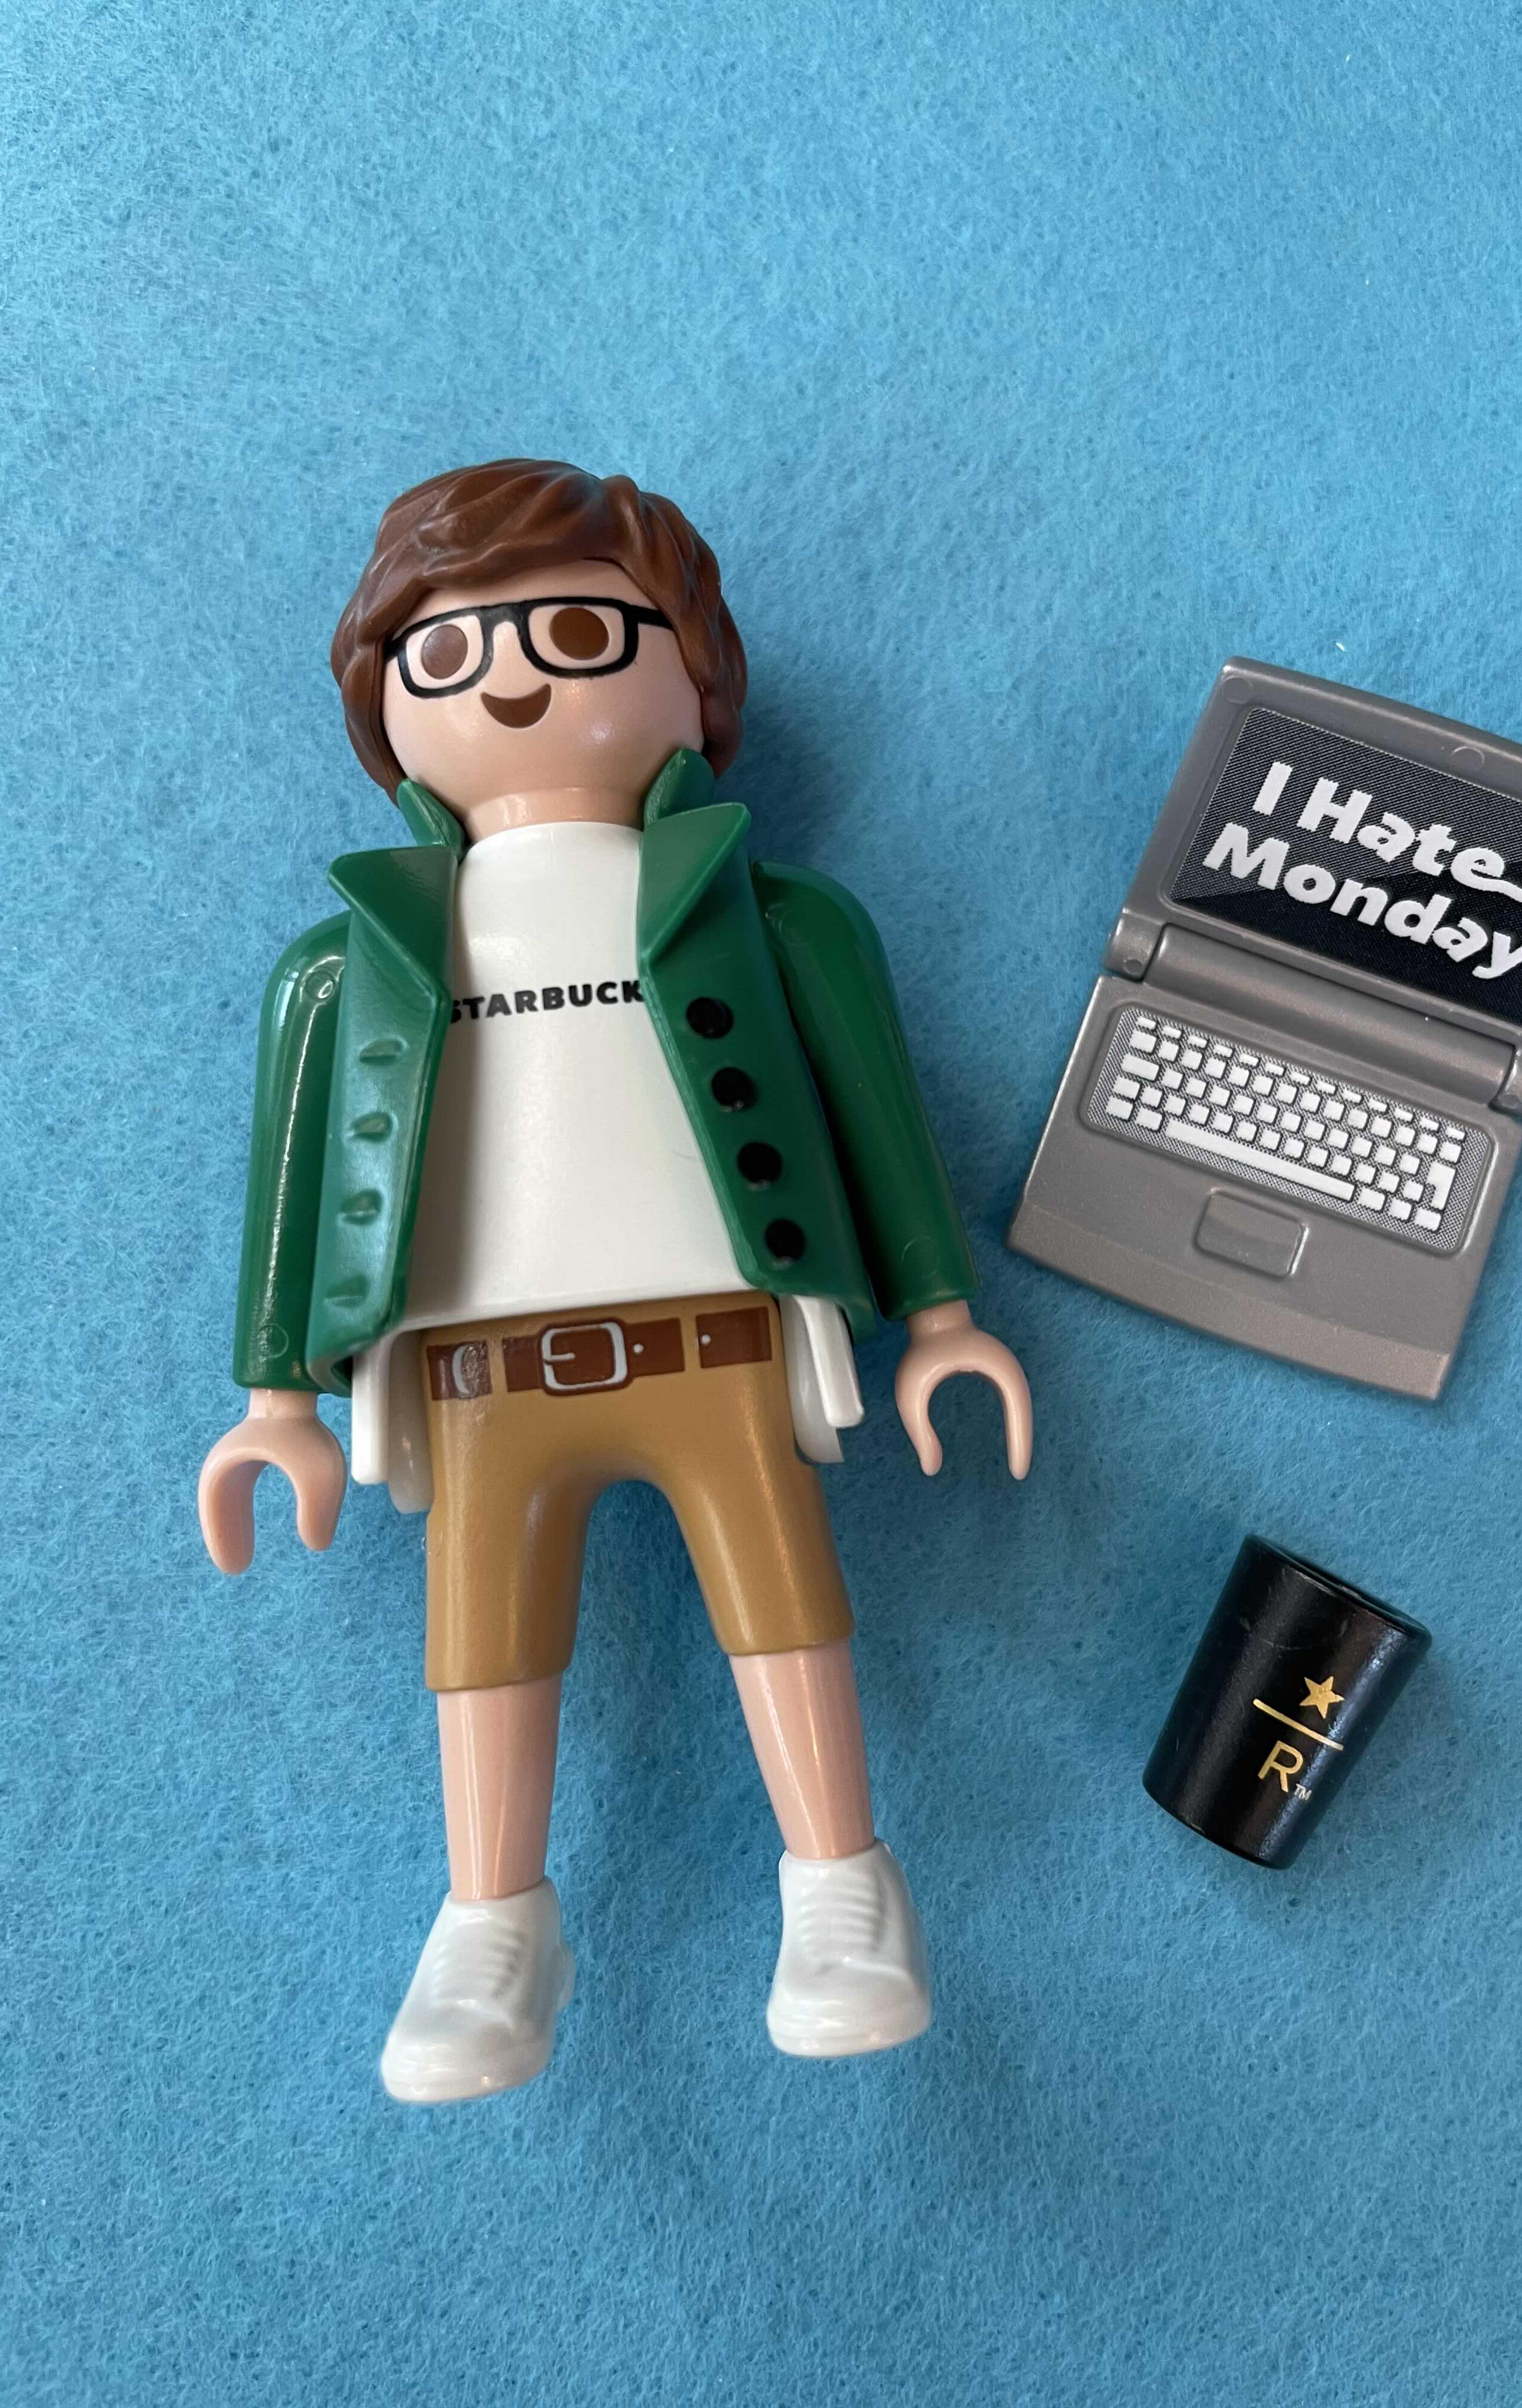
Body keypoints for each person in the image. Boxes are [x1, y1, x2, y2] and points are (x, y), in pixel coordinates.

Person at [197, 459, 1032, 2104]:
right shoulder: (347, 965)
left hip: (720, 1342)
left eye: (578, 634)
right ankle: (490, 1919)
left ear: (694, 678)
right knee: (483, 1641)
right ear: (385, 708)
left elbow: (877, 1117)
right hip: (476, 1376)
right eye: (447, 654)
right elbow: (293, 1185)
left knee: (784, 1605)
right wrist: (274, 1402)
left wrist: (942, 1321)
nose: (510, 679)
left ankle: (844, 1887)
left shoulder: (776, 921)